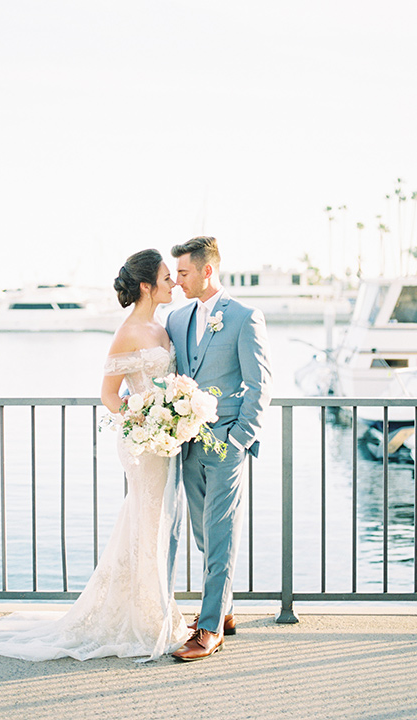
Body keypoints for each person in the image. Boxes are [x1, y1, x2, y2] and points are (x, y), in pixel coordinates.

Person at [0, 249, 189, 661]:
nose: (174, 284)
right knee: (146, 519)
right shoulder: (129, 332)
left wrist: (169, 420)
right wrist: (145, 423)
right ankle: (148, 619)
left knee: (152, 521)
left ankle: (153, 607)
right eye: (167, 278)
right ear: (148, 286)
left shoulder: (162, 324)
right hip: (143, 443)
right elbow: (110, 396)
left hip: (163, 442)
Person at [166, 236, 272, 662]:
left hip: (226, 443)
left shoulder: (245, 317)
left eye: (185, 273)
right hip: (188, 444)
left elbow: (259, 384)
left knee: (222, 534)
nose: (178, 281)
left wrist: (238, 440)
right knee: (202, 534)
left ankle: (209, 629)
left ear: (208, 271)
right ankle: (223, 608)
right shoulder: (176, 318)